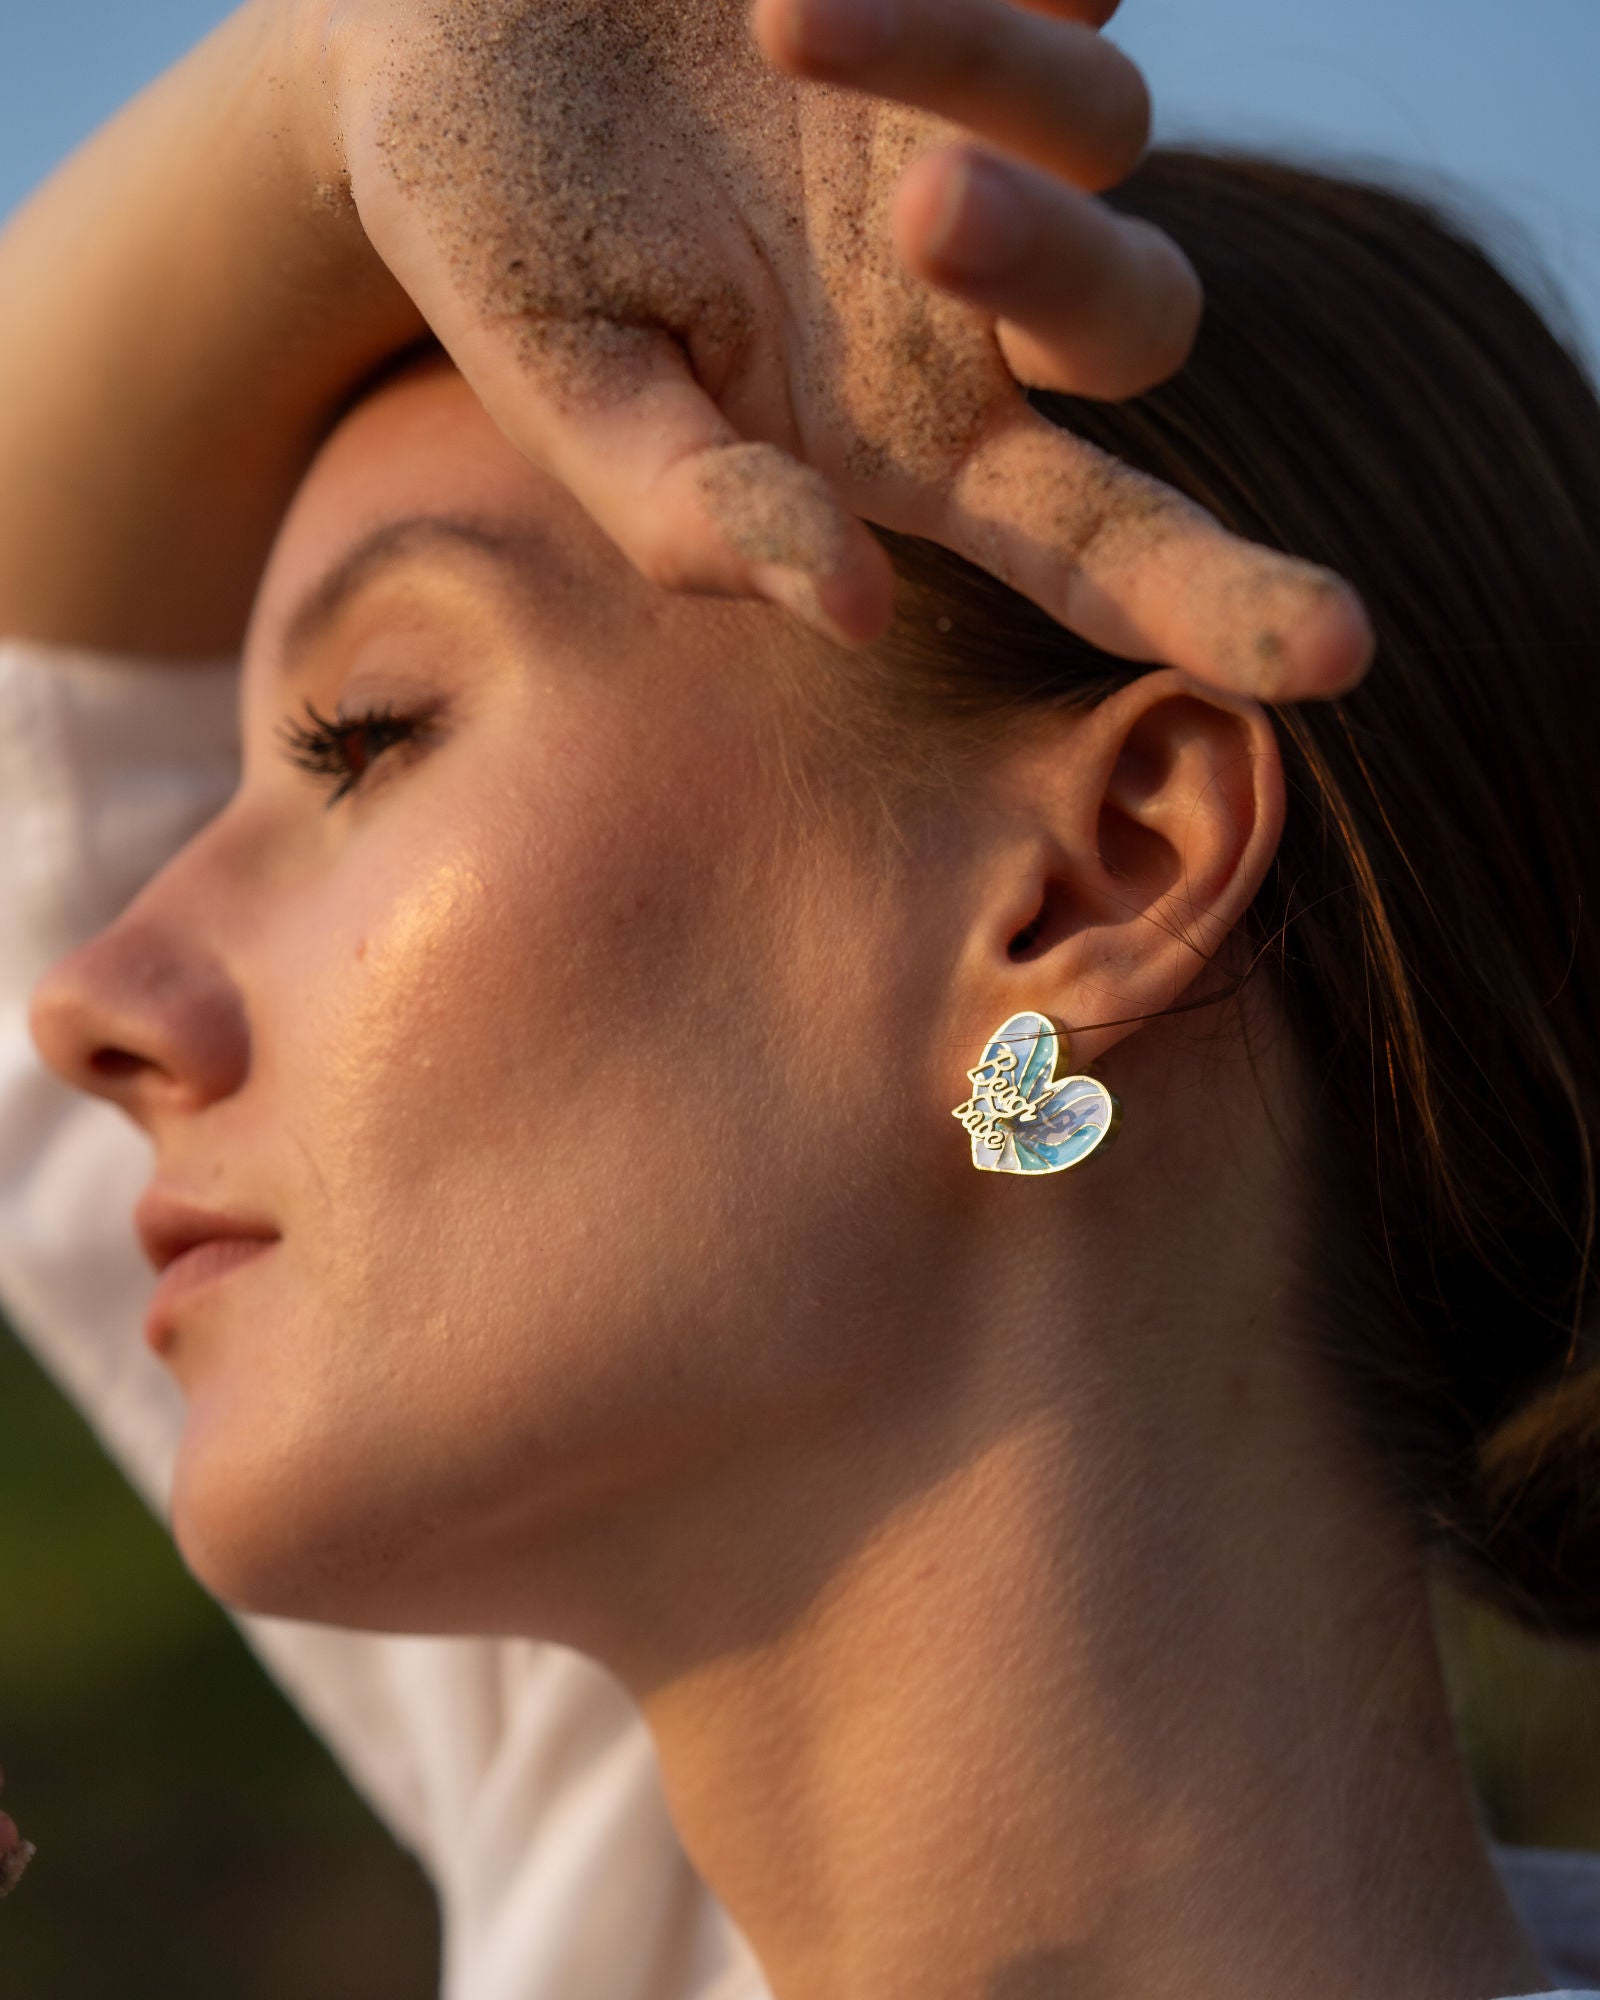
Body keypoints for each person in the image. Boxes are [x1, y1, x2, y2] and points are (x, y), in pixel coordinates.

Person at [1, 0, 1598, 1994]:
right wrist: (347, 68)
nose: (91, 995)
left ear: (1102, 873)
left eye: (364, 735)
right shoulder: (626, 1881)